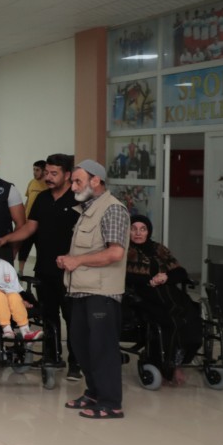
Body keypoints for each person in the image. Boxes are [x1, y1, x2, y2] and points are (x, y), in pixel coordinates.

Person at [59, 160, 130, 420]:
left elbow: (115, 253)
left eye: (77, 181)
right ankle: (93, 393)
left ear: (96, 181)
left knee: (102, 348)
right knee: (81, 345)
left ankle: (111, 402)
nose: (73, 186)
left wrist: (77, 261)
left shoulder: (112, 209)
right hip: (81, 289)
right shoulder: (87, 210)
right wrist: (69, 259)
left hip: (102, 292)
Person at [0, 154, 80, 378]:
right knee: (48, 316)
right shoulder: (42, 198)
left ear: (67, 175)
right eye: (47, 173)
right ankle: (51, 356)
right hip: (44, 268)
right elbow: (30, 227)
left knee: (72, 317)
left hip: (71, 271)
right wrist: (5, 239)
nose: (48, 177)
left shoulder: (78, 200)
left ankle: (76, 363)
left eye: (54, 173)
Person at [127, 214, 198, 387]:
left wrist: (165, 277)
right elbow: (124, 276)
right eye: (133, 229)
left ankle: (178, 362)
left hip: (169, 293)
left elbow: (180, 272)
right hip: (143, 296)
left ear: (148, 231)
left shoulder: (159, 249)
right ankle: (166, 366)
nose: (138, 233)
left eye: (142, 229)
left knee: (191, 316)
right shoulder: (125, 251)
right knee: (170, 320)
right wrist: (149, 280)